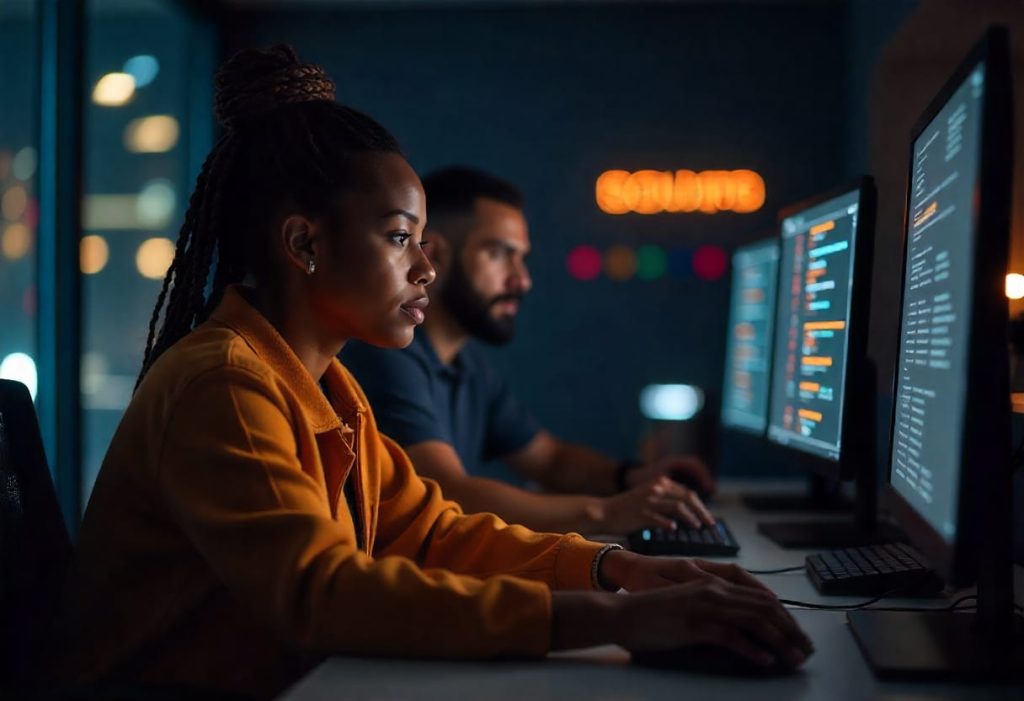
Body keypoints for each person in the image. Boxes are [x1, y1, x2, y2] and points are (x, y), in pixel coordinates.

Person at [47, 46, 811, 700]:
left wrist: (617, 570)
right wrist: (614, 618)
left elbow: (434, 532)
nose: (424, 267)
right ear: (304, 244)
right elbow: (325, 593)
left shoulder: (329, 388)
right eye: (399, 237)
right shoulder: (222, 386)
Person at [342, 167, 715, 536]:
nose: (522, 280)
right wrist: (605, 514)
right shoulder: (387, 355)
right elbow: (448, 494)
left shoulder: (466, 363)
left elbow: (548, 460)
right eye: (499, 254)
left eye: (521, 258)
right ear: (434, 255)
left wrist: (633, 478)